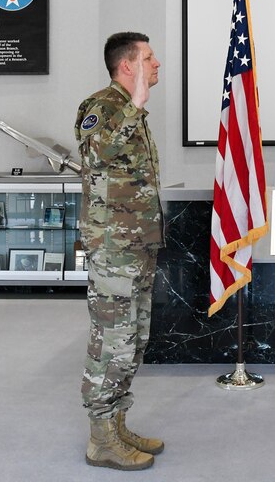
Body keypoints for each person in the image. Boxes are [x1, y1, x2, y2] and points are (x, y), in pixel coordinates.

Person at [75, 31, 164, 471]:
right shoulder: (102, 107)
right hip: (112, 248)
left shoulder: (131, 112)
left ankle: (117, 422)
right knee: (111, 340)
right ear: (127, 66)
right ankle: (101, 438)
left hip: (137, 245)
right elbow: (98, 154)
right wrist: (137, 101)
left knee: (133, 339)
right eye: (149, 57)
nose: (157, 63)